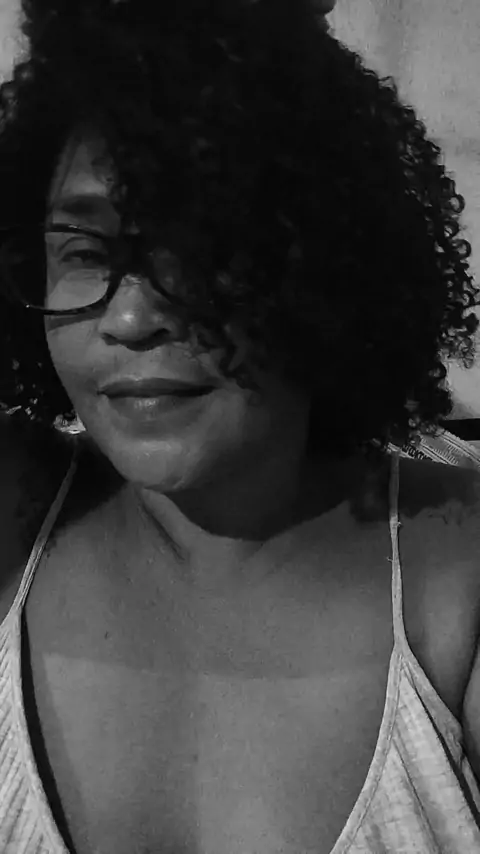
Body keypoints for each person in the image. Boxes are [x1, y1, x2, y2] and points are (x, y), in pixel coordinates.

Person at [1, 0, 480, 852]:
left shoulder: (459, 580)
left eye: (200, 250)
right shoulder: (15, 511)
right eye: (86, 252)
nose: (131, 317)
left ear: (327, 264)